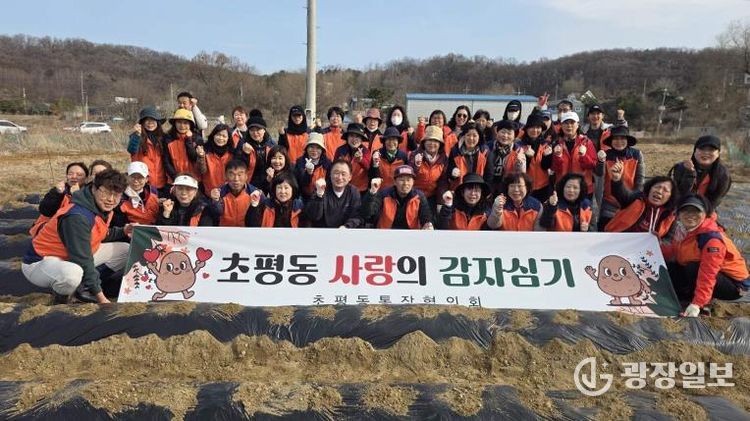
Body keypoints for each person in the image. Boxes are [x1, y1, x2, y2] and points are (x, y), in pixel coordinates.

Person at [22, 169, 132, 304]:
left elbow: (98, 234)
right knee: (72, 274)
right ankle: (61, 301)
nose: (111, 199)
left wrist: (124, 231)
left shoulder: (101, 209)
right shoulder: (77, 216)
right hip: (42, 261)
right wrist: (101, 298)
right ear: (94, 189)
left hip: (70, 257)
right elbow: (82, 259)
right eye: (106, 192)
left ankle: (83, 287)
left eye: (116, 195)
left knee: (126, 250)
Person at [663, 195, 749, 317]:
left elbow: (708, 273)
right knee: (671, 266)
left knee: (693, 268)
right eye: (686, 210)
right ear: (678, 214)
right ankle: (687, 293)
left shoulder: (711, 239)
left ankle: (702, 303)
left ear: (705, 214)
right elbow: (673, 251)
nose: (690, 215)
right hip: (705, 272)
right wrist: (652, 248)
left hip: (734, 285)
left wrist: (697, 303)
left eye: (696, 211)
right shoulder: (683, 230)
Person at [595, 125, 645, 230]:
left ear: (627, 140)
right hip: (609, 203)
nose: (619, 142)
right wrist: (600, 161)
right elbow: (599, 174)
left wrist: (634, 200)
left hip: (630, 202)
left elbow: (640, 181)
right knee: (606, 229)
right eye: (615, 139)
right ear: (611, 141)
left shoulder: (637, 155)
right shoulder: (605, 155)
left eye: (622, 138)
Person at [605, 171, 678, 239]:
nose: (659, 191)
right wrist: (617, 180)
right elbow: (622, 195)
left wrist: (659, 241)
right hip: (617, 240)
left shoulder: (670, 216)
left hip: (647, 247)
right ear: (649, 189)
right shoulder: (637, 199)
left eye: (665, 190)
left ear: (670, 197)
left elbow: (669, 240)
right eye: (657, 187)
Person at [669, 135, 731, 210]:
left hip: (705, 210)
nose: (706, 153)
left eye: (711, 150)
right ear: (695, 151)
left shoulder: (723, 174)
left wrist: (701, 212)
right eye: (702, 149)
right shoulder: (681, 168)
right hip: (679, 208)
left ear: (718, 154)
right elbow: (677, 194)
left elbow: (715, 201)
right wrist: (689, 174)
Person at [363, 165, 434, 229]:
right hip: (386, 234)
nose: (405, 183)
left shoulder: (419, 196)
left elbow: (426, 217)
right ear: (394, 182)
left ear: (413, 182)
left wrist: (428, 224)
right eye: (402, 180)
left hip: (411, 235)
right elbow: (368, 213)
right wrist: (372, 192)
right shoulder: (384, 195)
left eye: (408, 180)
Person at [30, 162, 89, 236]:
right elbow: (45, 211)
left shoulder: (89, 193)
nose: (74, 177)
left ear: (86, 178)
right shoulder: (59, 190)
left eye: (79, 175)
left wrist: (76, 196)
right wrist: (57, 193)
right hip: (51, 230)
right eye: (70, 174)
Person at [304, 159, 364, 228]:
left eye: (343, 174)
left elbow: (356, 216)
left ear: (350, 177)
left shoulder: (353, 192)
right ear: (330, 174)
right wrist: (319, 195)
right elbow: (314, 216)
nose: (339, 177)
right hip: (323, 231)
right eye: (336, 173)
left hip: (345, 231)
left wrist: (346, 227)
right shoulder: (321, 188)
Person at [508, 113, 554, 202]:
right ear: (527, 129)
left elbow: (546, 166)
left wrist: (547, 156)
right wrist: (527, 157)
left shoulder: (546, 145)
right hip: (524, 187)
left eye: (538, 127)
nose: (535, 130)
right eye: (532, 127)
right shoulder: (518, 146)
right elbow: (517, 169)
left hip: (543, 187)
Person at [551, 111, 597, 197]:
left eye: (572, 122)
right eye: (566, 123)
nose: (569, 126)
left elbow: (593, 165)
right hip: (563, 188)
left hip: (583, 188)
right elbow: (554, 169)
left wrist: (583, 156)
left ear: (578, 124)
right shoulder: (556, 143)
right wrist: (558, 156)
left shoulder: (586, 142)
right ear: (561, 125)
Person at [209, 160, 264, 227]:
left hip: (247, 230)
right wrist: (215, 201)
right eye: (232, 175)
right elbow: (217, 212)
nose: (236, 179)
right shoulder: (219, 193)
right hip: (225, 230)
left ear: (246, 176)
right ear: (225, 176)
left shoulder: (255, 193)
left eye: (240, 175)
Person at [127, 106, 167, 192]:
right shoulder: (136, 136)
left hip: (162, 182)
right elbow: (131, 149)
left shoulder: (163, 138)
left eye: (153, 120)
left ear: (157, 122)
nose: (150, 123)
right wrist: (137, 135)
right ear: (142, 123)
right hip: (143, 183)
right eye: (147, 120)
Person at [409, 125, 448, 211]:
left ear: (440, 144)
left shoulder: (443, 159)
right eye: (429, 140)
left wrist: (440, 202)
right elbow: (409, 176)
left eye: (435, 141)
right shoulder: (414, 155)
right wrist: (416, 165)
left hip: (431, 198)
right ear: (424, 142)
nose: (432, 143)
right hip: (414, 195)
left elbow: (442, 182)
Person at [112, 161, 160, 227]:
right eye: (133, 177)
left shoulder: (153, 192)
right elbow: (118, 224)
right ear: (127, 177)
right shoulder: (120, 197)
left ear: (146, 179)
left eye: (140, 177)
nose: (136, 181)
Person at [447, 122, 490, 191]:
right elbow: (448, 171)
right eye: (468, 135)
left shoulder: (485, 152)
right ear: (464, 136)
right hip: (459, 189)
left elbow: (488, 175)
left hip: (478, 190)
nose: (471, 138)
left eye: (474, 136)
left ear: (479, 137)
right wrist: (452, 173)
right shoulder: (455, 151)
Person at [485, 120, 523, 197]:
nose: (505, 136)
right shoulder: (488, 147)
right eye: (503, 132)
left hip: (507, 185)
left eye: (509, 133)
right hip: (488, 183)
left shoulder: (518, 150)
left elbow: (521, 173)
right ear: (497, 132)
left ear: (514, 136)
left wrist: (519, 162)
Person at [163, 109, 201, 182]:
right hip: (174, 180)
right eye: (179, 122)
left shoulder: (197, 139)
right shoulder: (168, 139)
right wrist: (175, 177)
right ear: (175, 123)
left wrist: (189, 140)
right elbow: (166, 161)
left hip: (193, 180)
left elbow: (194, 158)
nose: (182, 126)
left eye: (185, 123)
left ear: (190, 125)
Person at [238, 115, 275, 191]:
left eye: (258, 130)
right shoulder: (243, 143)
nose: (255, 133)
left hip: (267, 182)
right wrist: (245, 154)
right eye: (252, 130)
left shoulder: (271, 144)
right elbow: (238, 165)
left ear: (264, 130)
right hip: (248, 183)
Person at [196, 123, 234, 196]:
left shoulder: (232, 154)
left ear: (228, 138)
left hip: (227, 193)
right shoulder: (205, 151)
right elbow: (201, 171)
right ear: (213, 135)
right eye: (218, 135)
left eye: (224, 136)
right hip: (208, 192)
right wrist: (201, 157)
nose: (221, 138)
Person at [333, 123, 372, 193]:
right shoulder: (340, 150)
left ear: (361, 139)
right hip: (342, 188)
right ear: (347, 137)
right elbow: (334, 168)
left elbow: (370, 169)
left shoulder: (366, 151)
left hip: (360, 190)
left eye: (357, 136)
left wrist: (361, 160)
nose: (354, 139)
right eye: (351, 136)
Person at [295, 132, 332, 199]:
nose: (314, 150)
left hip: (323, 197)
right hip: (304, 197)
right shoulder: (300, 162)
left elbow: (330, 183)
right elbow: (300, 184)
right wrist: (308, 173)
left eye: (318, 148)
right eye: (311, 147)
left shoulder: (328, 163)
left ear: (322, 150)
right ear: (306, 148)